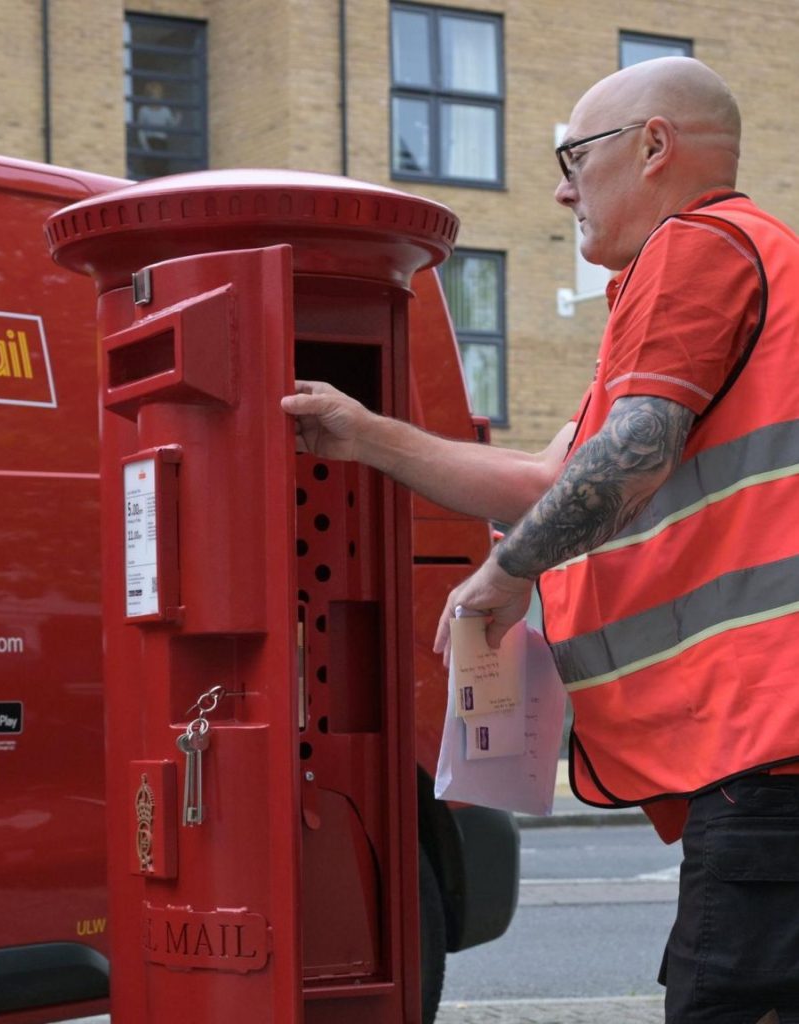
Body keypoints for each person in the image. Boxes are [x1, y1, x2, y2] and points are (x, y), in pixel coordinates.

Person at [282, 57, 799, 1024]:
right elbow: (553, 481)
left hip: (771, 749)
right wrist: (359, 433)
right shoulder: (727, 275)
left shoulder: (700, 246)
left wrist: (503, 574)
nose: (561, 187)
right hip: (756, 759)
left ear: (654, 147)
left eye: (575, 155)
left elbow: (630, 456)